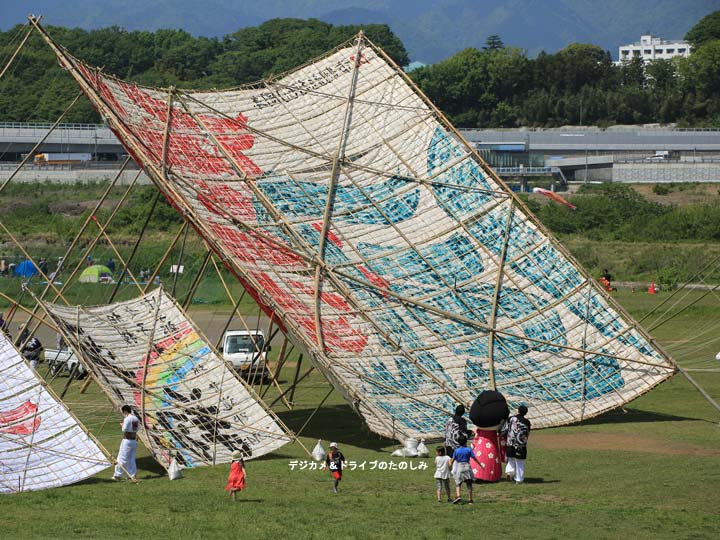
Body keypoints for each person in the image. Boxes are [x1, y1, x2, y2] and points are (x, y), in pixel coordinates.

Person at [112, 405, 140, 482]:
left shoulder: (127, 419)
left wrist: (122, 424)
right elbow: (136, 428)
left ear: (125, 411)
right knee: (131, 458)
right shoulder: (135, 418)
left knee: (121, 458)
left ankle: (117, 475)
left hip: (127, 440)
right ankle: (132, 474)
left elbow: (124, 429)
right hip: (134, 440)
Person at [505, 405, 531, 484]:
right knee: (520, 462)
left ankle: (509, 472)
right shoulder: (527, 422)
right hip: (520, 445)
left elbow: (506, 427)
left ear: (518, 410)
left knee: (511, 460)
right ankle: (519, 479)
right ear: (526, 413)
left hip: (510, 443)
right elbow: (527, 432)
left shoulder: (511, 419)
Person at [449, 436, 477, 504]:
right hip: (467, 467)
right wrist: (480, 465)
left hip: (460, 467)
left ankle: (458, 496)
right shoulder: (468, 450)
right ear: (466, 442)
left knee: (458, 483)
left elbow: (452, 461)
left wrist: (449, 464)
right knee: (469, 484)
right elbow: (474, 458)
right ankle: (470, 500)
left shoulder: (456, 451)